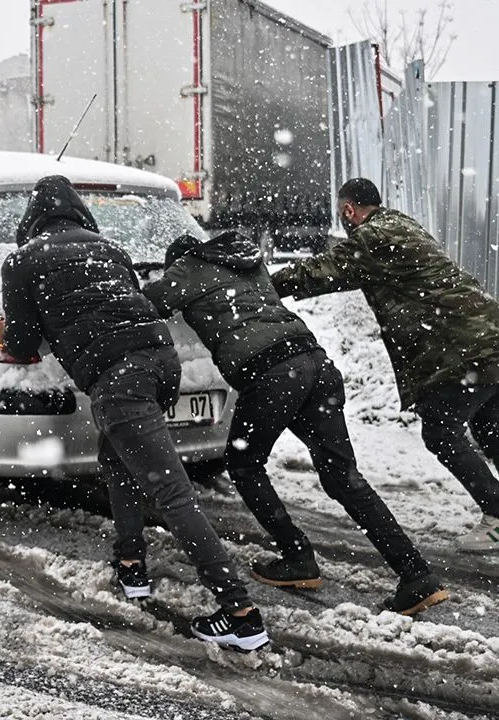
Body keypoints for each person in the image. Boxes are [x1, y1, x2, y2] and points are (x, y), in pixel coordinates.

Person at [0, 175, 268, 651]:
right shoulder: (107, 249)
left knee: (172, 494)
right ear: (79, 213)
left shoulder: (22, 260)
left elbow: (25, 344)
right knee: (116, 462)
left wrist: (2, 333)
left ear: (32, 217)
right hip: (161, 363)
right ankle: (131, 566)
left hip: (118, 380)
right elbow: (122, 305)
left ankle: (241, 613)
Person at [144, 231, 448, 615]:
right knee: (343, 477)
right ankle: (417, 574)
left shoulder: (189, 268)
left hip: (271, 373)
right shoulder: (244, 264)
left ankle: (297, 556)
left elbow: (142, 306)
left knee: (243, 464)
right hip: (315, 364)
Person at [274, 178, 499, 553]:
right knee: (489, 427)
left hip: (461, 348)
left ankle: (496, 513)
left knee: (441, 432)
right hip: (487, 336)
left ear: (348, 210)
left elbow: (323, 270)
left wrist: (262, 284)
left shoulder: (375, 237)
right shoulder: (401, 224)